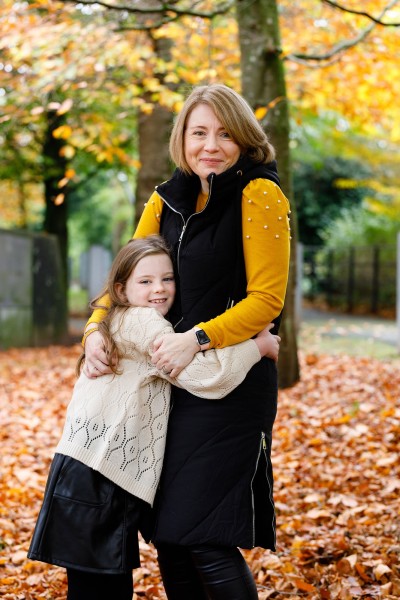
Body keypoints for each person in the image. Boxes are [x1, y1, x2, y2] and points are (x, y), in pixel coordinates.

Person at [84, 83, 291, 599]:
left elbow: (267, 300)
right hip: (169, 382)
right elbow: (126, 279)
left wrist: (196, 339)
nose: (211, 145)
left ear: (244, 138)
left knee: (204, 535)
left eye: (224, 133)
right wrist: (94, 331)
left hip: (231, 385)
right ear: (182, 138)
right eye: (199, 132)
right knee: (170, 534)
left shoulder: (259, 193)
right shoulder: (167, 198)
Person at [27, 235, 280, 600]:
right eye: (145, 282)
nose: (159, 289)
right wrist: (258, 346)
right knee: (102, 589)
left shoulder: (118, 320)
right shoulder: (143, 321)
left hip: (85, 467)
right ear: (122, 289)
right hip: (99, 474)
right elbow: (205, 377)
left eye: (167, 278)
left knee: (94, 587)